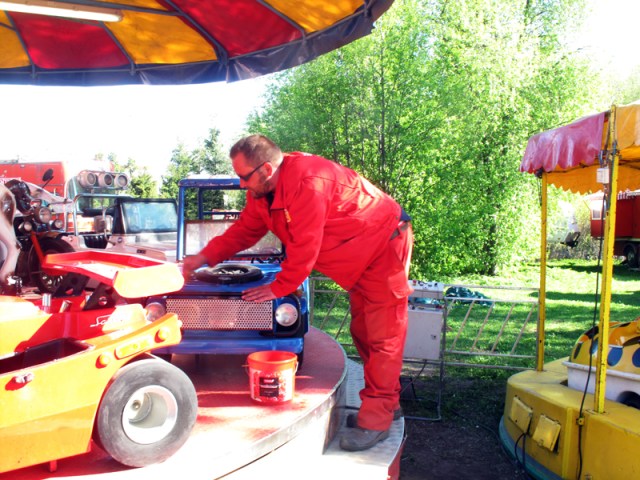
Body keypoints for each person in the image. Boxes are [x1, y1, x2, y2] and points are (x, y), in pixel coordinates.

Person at [182, 134, 413, 451]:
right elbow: (243, 232)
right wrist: (201, 259)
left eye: (244, 176)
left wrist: (278, 288)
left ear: (266, 169)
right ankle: (387, 402)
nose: (241, 184)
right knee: (363, 330)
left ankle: (376, 420)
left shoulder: (308, 183)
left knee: (382, 337)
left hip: (384, 247)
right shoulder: (262, 192)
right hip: (359, 257)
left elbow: (306, 246)